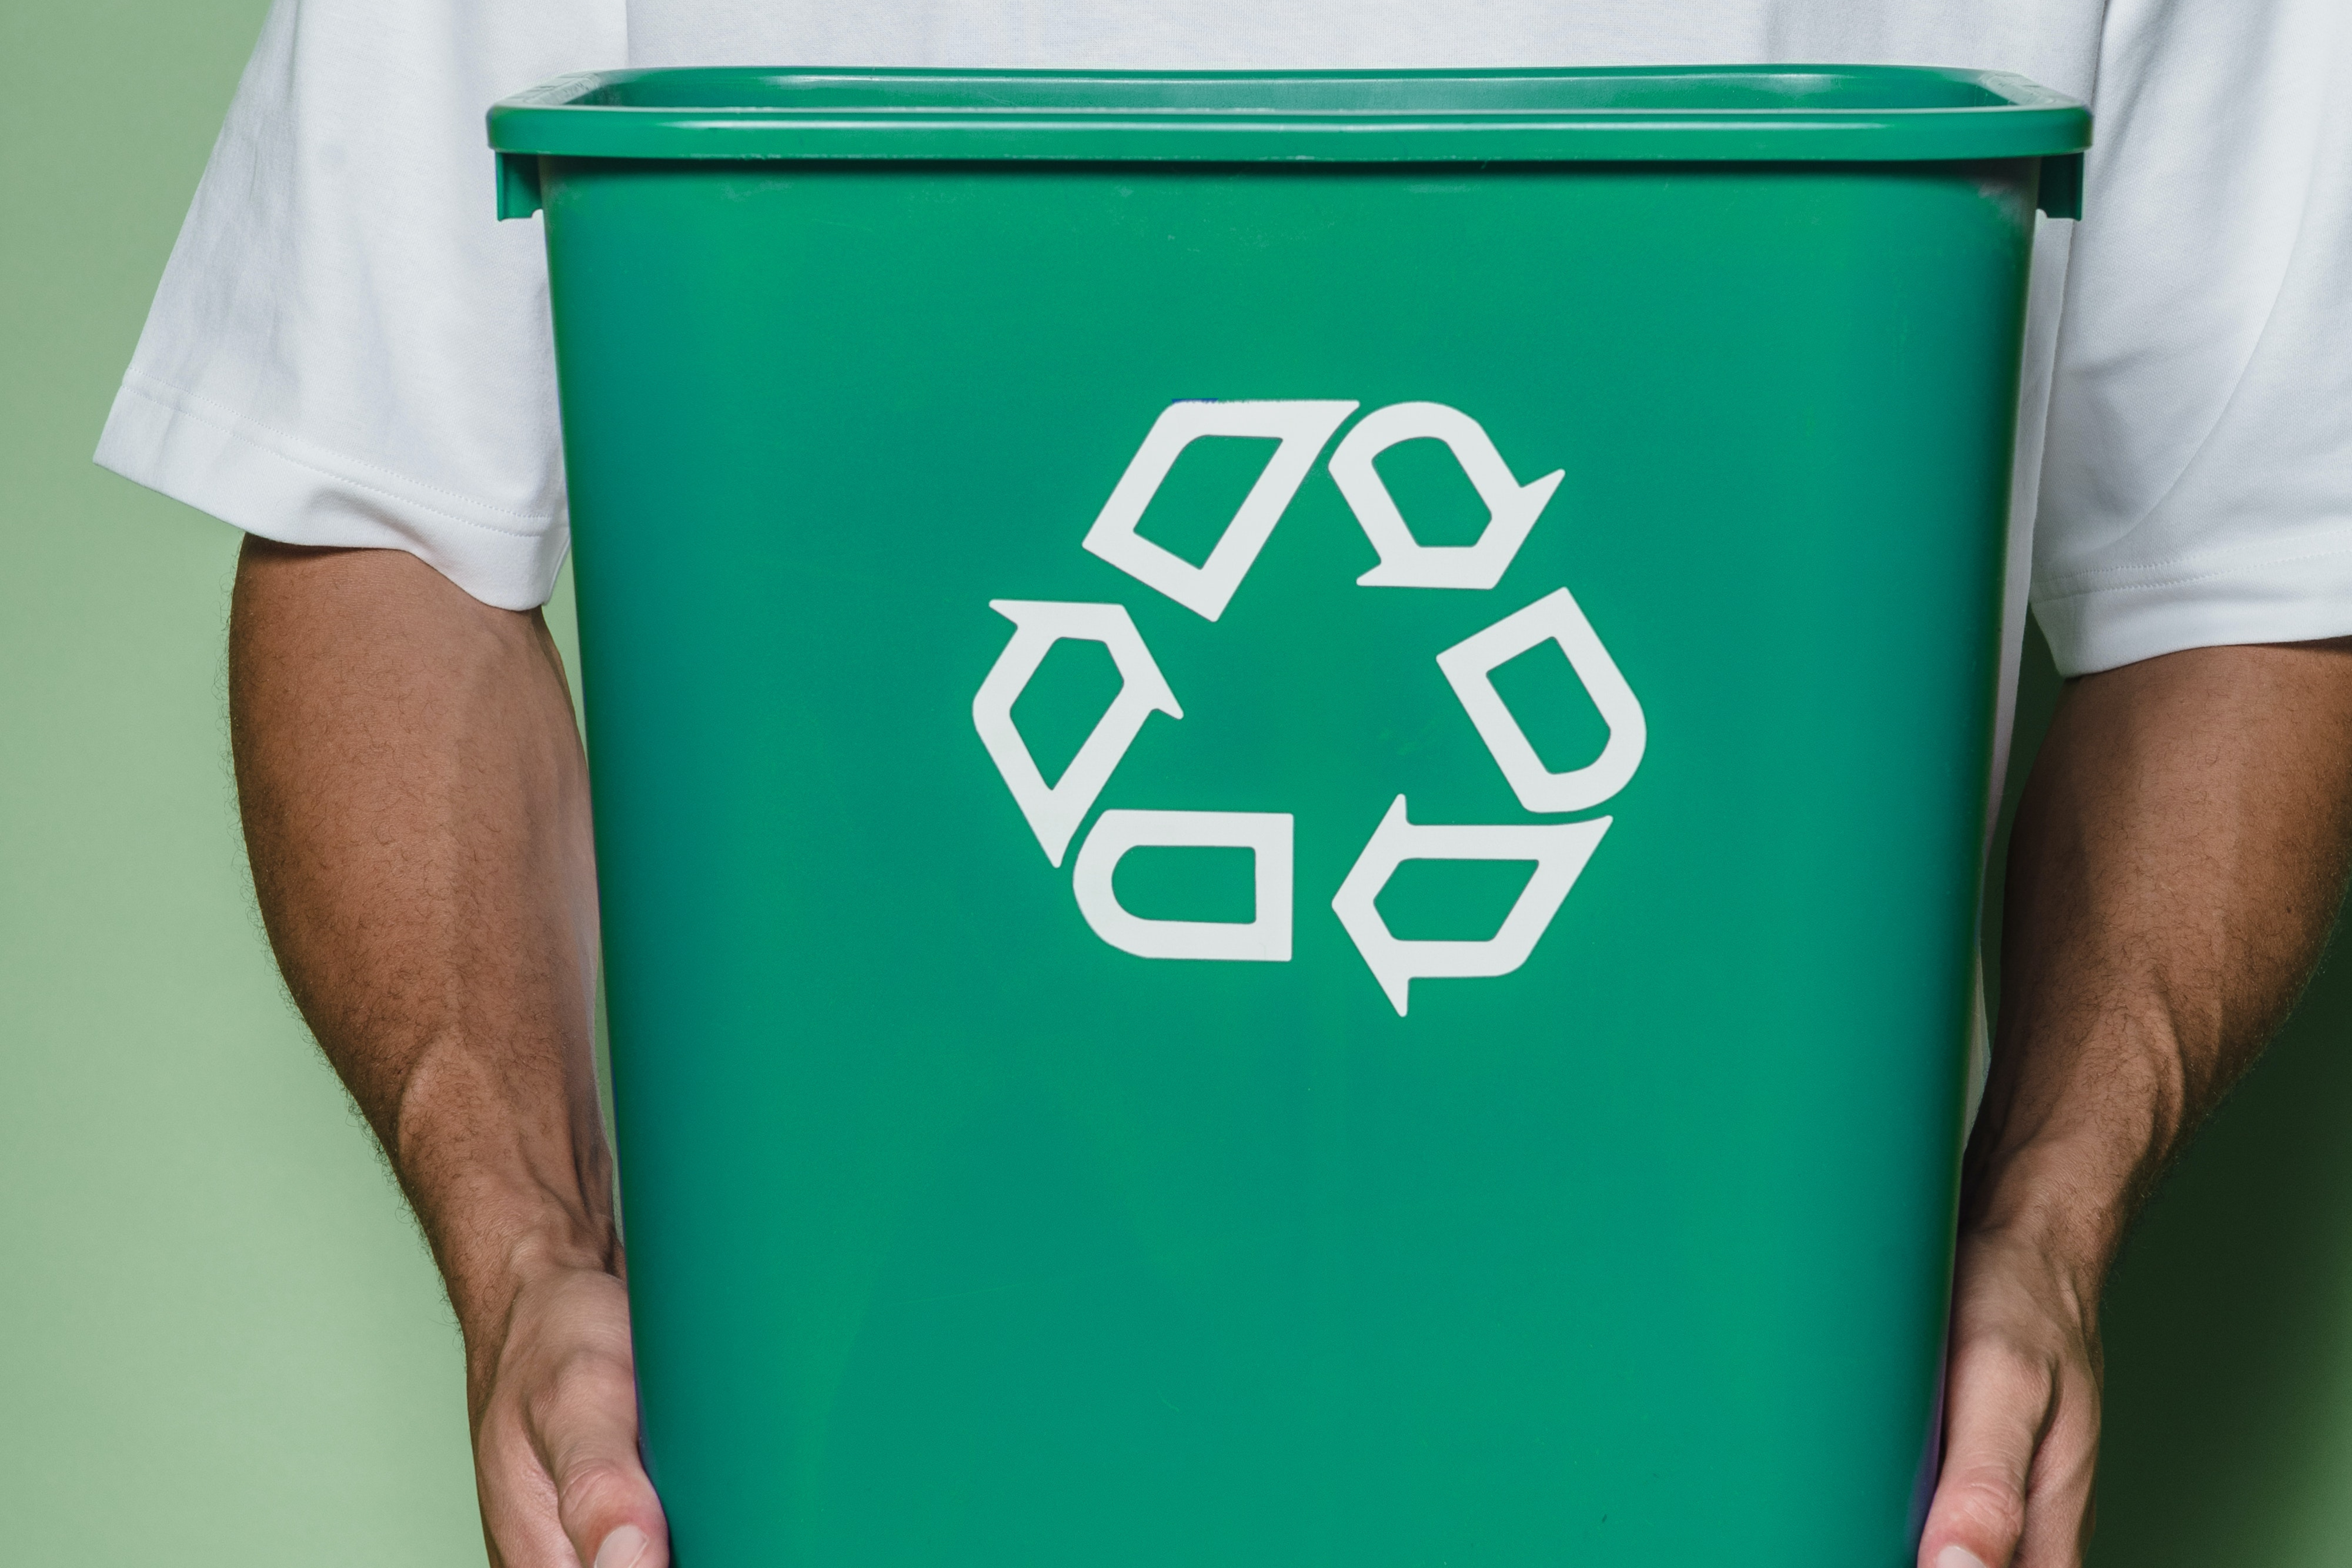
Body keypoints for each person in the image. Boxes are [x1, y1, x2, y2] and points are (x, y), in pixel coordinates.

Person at [98, 2, 2352, 1566]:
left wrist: (2043, 1233)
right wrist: (525, 1251)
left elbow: (2240, 572)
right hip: (893, 1419)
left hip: (1685, 1418)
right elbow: (372, 500)